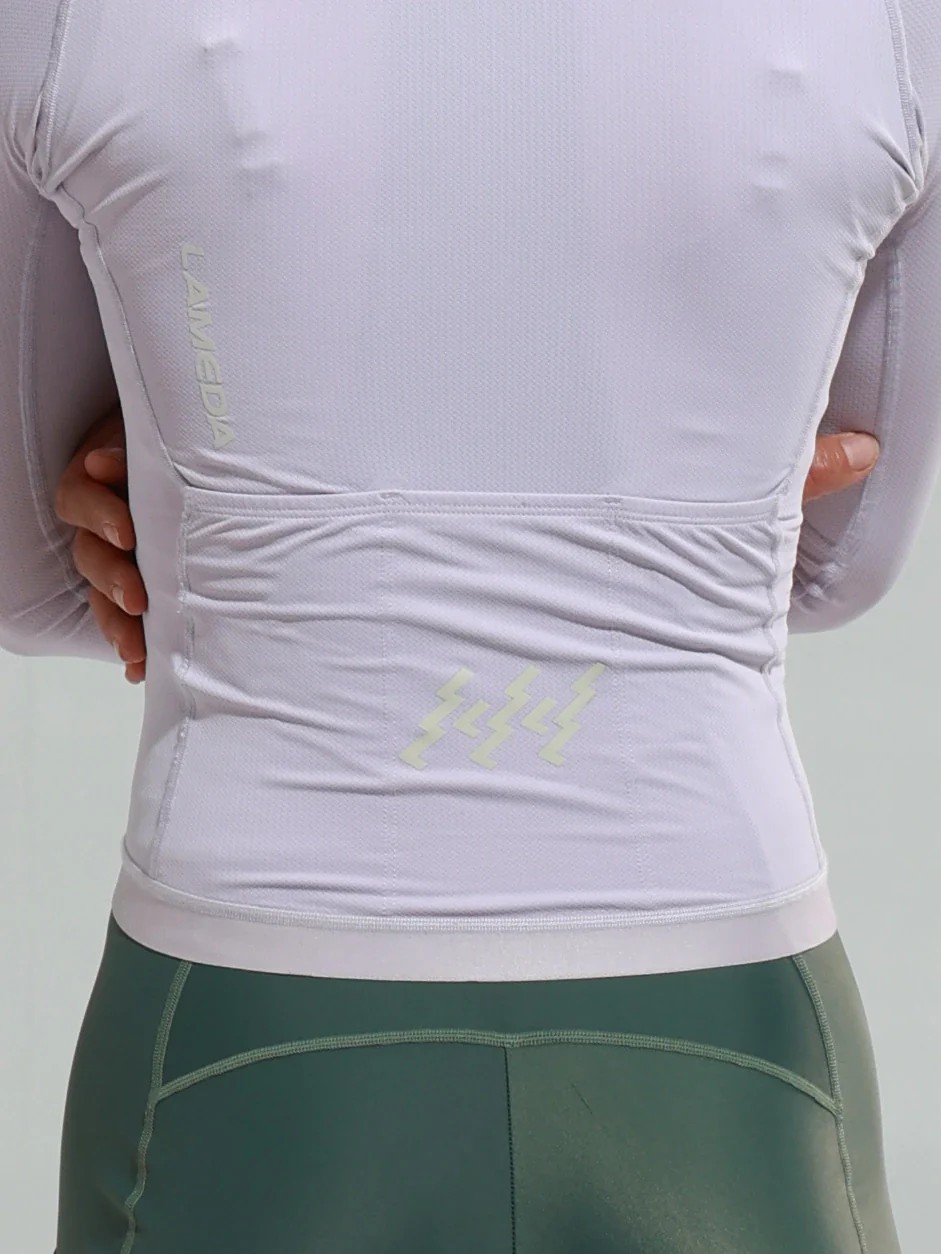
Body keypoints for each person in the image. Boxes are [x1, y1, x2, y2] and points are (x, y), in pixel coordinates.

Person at [2, 3, 939, 1250]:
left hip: (244, 987)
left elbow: (34, 580)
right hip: (727, 984)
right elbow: (830, 571)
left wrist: (207, 507)